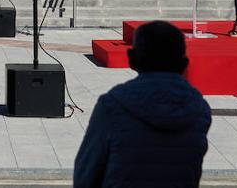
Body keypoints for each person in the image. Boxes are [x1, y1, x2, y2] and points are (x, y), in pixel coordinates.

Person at [73, 20, 211, 188]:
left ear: (132, 59)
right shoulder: (199, 109)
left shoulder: (113, 105)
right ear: (184, 65)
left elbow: (86, 174)